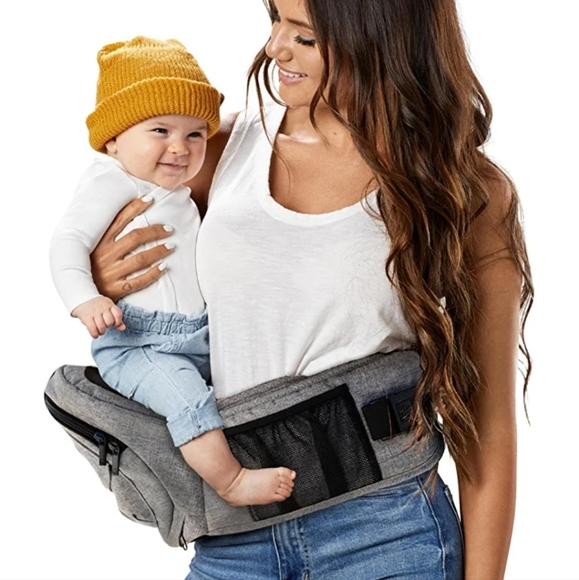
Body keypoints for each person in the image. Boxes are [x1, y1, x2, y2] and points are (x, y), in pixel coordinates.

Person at [88, 0, 534, 578]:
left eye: (306, 37)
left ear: (381, 37)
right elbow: (104, 245)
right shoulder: (212, 152)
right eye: (275, 19)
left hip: (388, 532)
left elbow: (487, 424)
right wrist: (99, 277)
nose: (274, 48)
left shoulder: (465, 191)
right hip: (234, 535)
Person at [49, 36, 295, 509]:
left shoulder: (179, 191)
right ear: (114, 139)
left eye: (195, 134)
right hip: (139, 343)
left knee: (229, 401)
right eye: (160, 130)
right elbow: (68, 241)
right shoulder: (111, 181)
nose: (180, 148)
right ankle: (230, 482)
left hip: (196, 334)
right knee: (187, 402)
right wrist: (86, 298)